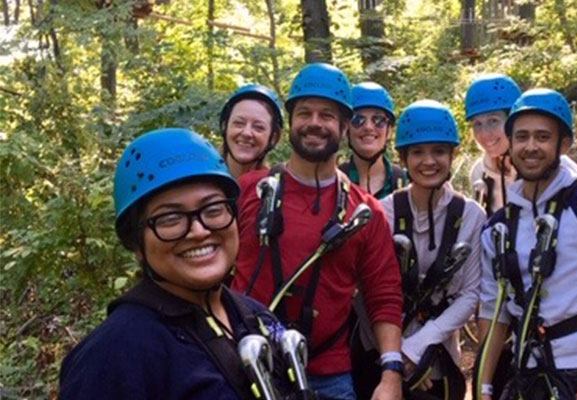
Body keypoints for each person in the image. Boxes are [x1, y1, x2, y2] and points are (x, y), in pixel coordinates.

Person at [59, 128, 304, 400]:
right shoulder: (114, 355)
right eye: (170, 219)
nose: (199, 231)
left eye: (213, 210)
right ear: (136, 242)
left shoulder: (255, 317)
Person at [231, 63, 404, 400]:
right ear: (291, 123)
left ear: (343, 127)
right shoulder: (250, 192)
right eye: (304, 112)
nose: (314, 123)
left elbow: (384, 294)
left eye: (327, 115)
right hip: (246, 361)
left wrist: (391, 372)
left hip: (327, 372)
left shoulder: (363, 211)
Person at [476, 89, 577, 400]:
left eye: (542, 137)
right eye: (522, 137)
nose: (530, 147)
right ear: (510, 144)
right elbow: (493, 310)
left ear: (563, 145)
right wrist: (483, 385)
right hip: (523, 371)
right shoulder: (497, 227)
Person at [355, 100, 483, 399]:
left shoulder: (471, 216)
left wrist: (417, 349)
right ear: (403, 157)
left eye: (438, 151)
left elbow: (469, 294)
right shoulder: (382, 213)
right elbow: (364, 290)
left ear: (452, 155)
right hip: (377, 353)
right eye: (417, 153)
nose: (429, 161)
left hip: (438, 355)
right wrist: (396, 356)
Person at [465, 74, 577, 215]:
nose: (484, 133)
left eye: (493, 121)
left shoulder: (558, 167)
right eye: (477, 124)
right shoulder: (480, 173)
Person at [339, 82, 408, 199]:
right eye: (358, 120)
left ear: (389, 130)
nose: (368, 127)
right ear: (346, 129)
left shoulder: (406, 183)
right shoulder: (333, 183)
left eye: (378, 120)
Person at [219, 83, 285, 177]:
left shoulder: (275, 188)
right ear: (225, 127)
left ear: (273, 138)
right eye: (239, 123)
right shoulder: (199, 178)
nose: (247, 133)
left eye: (258, 127)